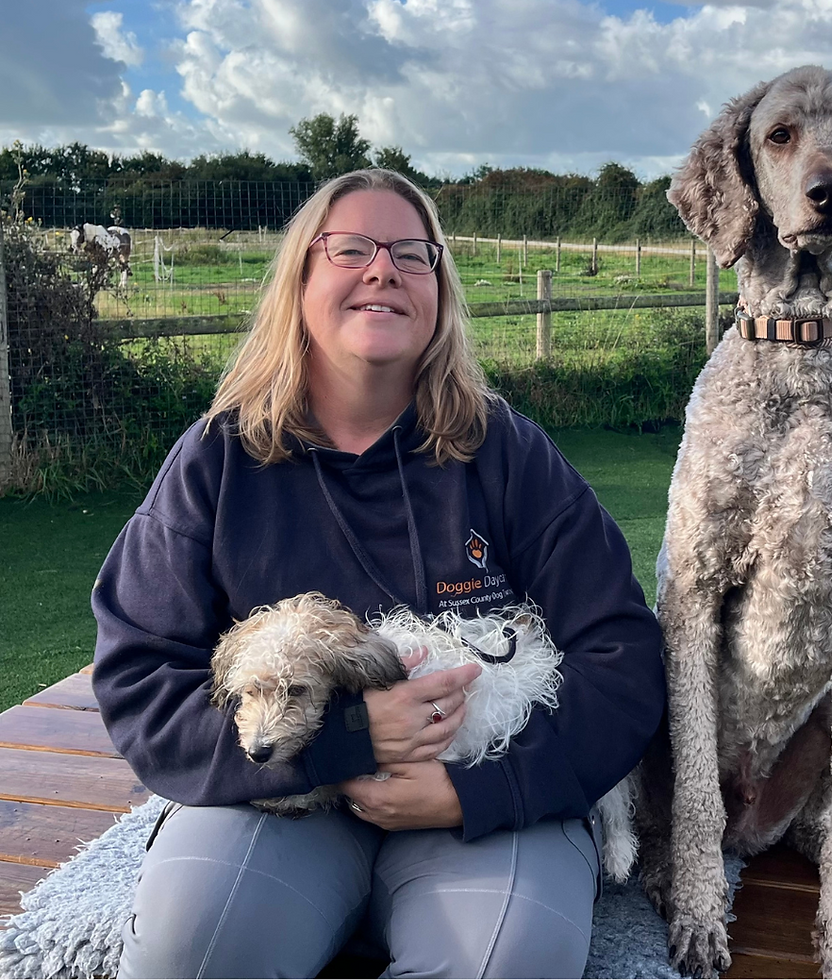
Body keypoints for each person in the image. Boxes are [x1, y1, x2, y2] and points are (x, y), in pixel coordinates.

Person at [92, 168, 666, 979]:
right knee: (192, 953)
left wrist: (488, 791)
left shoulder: (506, 451)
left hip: (482, 800)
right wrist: (343, 740)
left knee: (507, 964)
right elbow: (139, 675)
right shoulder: (217, 460)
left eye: (411, 253)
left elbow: (622, 656)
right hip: (281, 800)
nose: (382, 269)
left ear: (440, 290)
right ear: (300, 281)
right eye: (350, 248)